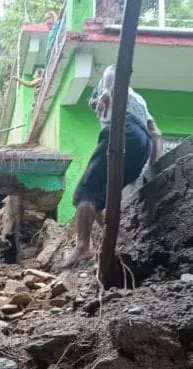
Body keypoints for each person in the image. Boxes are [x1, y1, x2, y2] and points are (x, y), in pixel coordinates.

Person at [64, 64, 162, 268]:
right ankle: (123, 241)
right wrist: (153, 168)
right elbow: (157, 134)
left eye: (95, 99)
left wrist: (106, 94)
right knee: (101, 199)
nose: (96, 104)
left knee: (84, 194)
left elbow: (113, 79)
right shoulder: (139, 101)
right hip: (142, 146)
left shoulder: (109, 80)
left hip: (124, 131)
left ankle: (82, 248)